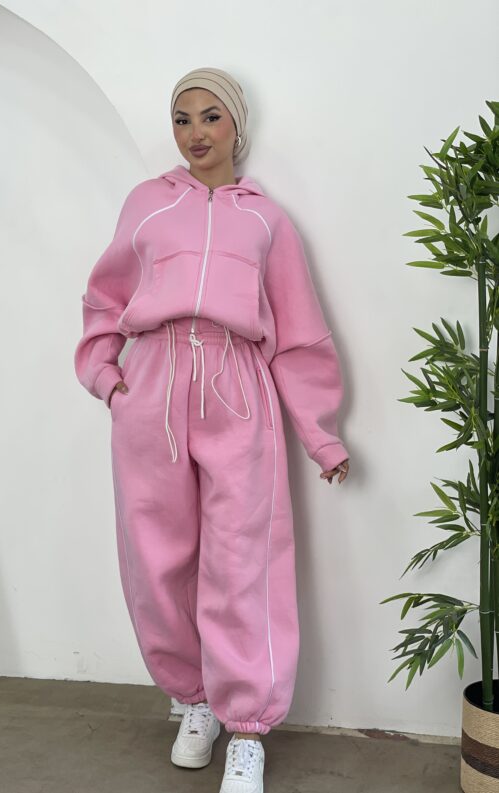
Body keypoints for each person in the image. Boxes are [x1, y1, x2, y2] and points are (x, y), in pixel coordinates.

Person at [74, 66, 350, 793]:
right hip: (152, 386)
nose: (195, 133)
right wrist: (107, 376)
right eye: (182, 119)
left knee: (243, 558)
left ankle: (247, 730)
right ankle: (193, 700)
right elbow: (103, 298)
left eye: (210, 116)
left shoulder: (266, 220)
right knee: (155, 558)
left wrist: (320, 434)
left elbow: (298, 333)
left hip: (237, 386)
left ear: (236, 125)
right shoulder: (146, 204)